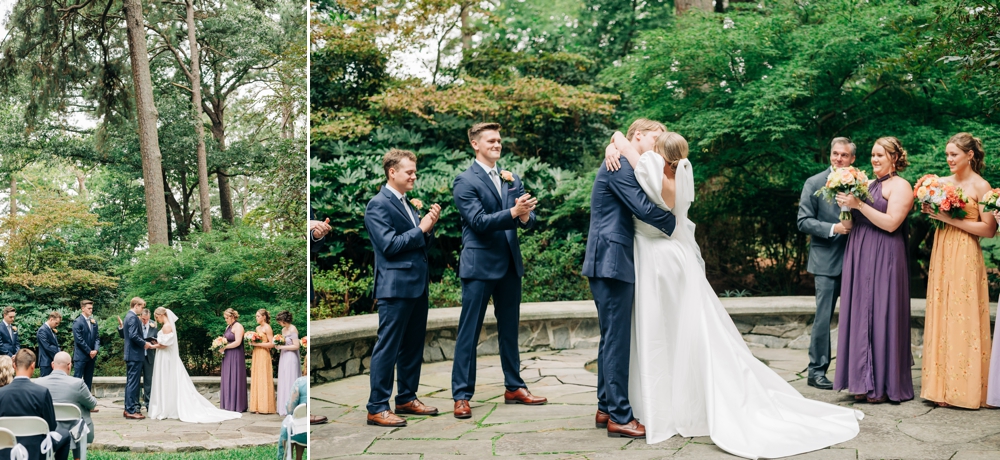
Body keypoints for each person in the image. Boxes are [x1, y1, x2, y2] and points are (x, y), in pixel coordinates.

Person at [604, 131, 862, 457]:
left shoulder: (650, 169)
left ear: (658, 152)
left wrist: (615, 142)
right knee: (685, 330)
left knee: (664, 329)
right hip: (674, 257)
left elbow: (628, 149)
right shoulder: (679, 174)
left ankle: (669, 401)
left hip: (659, 259)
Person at [586, 118, 676, 439]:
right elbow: (642, 208)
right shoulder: (619, 164)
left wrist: (617, 142)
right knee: (617, 339)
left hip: (612, 259)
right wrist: (676, 223)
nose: (659, 143)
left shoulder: (621, 157)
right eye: (656, 138)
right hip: (611, 260)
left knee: (611, 337)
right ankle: (620, 417)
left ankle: (605, 406)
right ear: (637, 136)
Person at [451, 123, 546, 420]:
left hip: (508, 263)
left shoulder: (510, 177)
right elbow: (478, 222)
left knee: (509, 330)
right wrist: (513, 213)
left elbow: (522, 220)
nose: (497, 144)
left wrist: (526, 215)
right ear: (475, 144)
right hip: (479, 265)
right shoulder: (464, 181)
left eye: (499, 140)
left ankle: (514, 386)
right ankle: (462, 395)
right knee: (469, 331)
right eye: (491, 140)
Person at [363, 148, 442, 427]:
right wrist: (420, 229)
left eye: (415, 172)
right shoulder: (378, 204)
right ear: (392, 172)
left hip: (417, 286)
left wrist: (429, 228)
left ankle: (407, 398)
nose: (414, 176)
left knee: (412, 346)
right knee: (388, 347)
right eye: (409, 172)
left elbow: (419, 244)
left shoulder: (408, 204)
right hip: (394, 287)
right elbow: (389, 246)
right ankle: (376, 407)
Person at [835, 136, 914, 404]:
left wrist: (859, 205)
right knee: (860, 314)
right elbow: (849, 225)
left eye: (880, 155)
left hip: (886, 256)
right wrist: (845, 209)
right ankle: (860, 381)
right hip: (860, 253)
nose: (875, 159)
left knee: (882, 312)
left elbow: (892, 223)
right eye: (872, 154)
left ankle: (882, 384)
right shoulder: (865, 184)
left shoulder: (901, 186)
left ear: (894, 158)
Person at [921, 132, 995, 409]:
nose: (949, 159)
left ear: (969, 156)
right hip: (942, 252)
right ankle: (939, 388)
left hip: (966, 253)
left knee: (962, 318)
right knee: (942, 312)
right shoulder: (940, 183)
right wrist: (933, 211)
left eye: (953, 154)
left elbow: (988, 229)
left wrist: (949, 218)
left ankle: (963, 390)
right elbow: (934, 214)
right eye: (947, 155)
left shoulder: (981, 186)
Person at [797, 138, 856, 390]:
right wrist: (834, 227)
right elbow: (803, 221)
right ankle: (816, 371)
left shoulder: (861, 183)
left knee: (857, 317)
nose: (838, 159)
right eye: (835, 154)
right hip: (825, 260)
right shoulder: (814, 183)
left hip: (857, 258)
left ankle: (855, 371)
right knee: (823, 318)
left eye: (844, 155)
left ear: (852, 159)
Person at [147, 307, 242, 423]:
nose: (157, 320)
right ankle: (168, 407)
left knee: (168, 379)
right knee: (170, 380)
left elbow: (165, 345)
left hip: (166, 357)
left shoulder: (167, 326)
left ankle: (167, 408)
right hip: (166, 356)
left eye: (157, 317)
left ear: (161, 315)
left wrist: (152, 346)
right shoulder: (167, 325)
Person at [0, 349, 72, 460]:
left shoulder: (1, 393)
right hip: (37, 449)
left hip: (5, 449)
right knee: (65, 434)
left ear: (14, 365)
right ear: (33, 365)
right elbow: (51, 426)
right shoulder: (42, 392)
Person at [35, 351, 97, 457]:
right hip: (74, 432)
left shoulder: (38, 383)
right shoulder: (77, 384)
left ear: (52, 365)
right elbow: (92, 404)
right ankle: (78, 457)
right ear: (69, 366)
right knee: (80, 418)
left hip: (47, 430)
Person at [118, 297, 152, 419]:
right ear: (136, 305)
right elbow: (133, 335)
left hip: (132, 354)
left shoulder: (129, 316)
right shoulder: (132, 317)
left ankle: (128, 409)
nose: (142, 309)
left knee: (131, 383)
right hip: (134, 355)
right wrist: (145, 344)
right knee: (133, 383)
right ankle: (131, 410)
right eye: (142, 306)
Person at [220, 308, 248, 412]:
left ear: (232, 317)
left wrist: (225, 347)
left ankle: (237, 405)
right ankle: (227, 403)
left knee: (235, 376)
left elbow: (238, 342)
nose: (226, 320)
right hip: (227, 355)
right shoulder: (228, 326)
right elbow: (225, 340)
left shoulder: (238, 326)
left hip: (236, 355)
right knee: (228, 377)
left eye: (227, 318)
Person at [249, 309, 276, 415]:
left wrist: (257, 344)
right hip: (256, 353)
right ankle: (256, 406)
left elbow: (271, 344)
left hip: (264, 353)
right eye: (256, 316)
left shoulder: (267, 328)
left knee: (263, 377)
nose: (257, 318)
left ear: (264, 317)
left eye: (258, 316)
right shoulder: (257, 328)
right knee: (257, 377)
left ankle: (265, 406)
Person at [278, 366, 308, 460]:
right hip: (307, 431)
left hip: (298, 432)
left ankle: (287, 456)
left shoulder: (300, 382)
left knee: (289, 425)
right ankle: (299, 457)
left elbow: (290, 408)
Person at [275, 311, 301, 416]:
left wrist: (282, 347)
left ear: (284, 320)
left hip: (291, 357)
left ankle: (292, 407)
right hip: (284, 356)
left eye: (280, 321)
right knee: (284, 379)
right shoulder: (283, 330)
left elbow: (296, 346)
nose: (279, 323)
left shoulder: (293, 329)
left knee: (290, 379)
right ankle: (283, 406)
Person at [72, 300, 100, 393]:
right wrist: (89, 351)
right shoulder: (77, 321)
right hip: (81, 356)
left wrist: (95, 350)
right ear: (83, 308)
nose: (91, 310)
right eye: (89, 308)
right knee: (77, 380)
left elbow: (97, 337)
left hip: (91, 357)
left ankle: (88, 404)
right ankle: (75, 402)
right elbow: (79, 340)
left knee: (89, 381)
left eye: (92, 308)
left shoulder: (94, 322)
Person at [139, 308, 158, 411]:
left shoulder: (154, 324)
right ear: (140, 316)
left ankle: (148, 404)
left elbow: (156, 337)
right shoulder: (136, 323)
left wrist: (154, 342)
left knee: (148, 381)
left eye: (147, 319)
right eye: (143, 319)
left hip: (149, 356)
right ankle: (136, 405)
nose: (145, 321)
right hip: (138, 356)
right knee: (136, 381)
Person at [37, 311, 62, 377]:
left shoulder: (50, 329)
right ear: (51, 319)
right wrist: (59, 352)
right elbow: (47, 347)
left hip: (51, 361)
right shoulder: (42, 330)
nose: (57, 325)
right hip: (46, 363)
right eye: (56, 323)